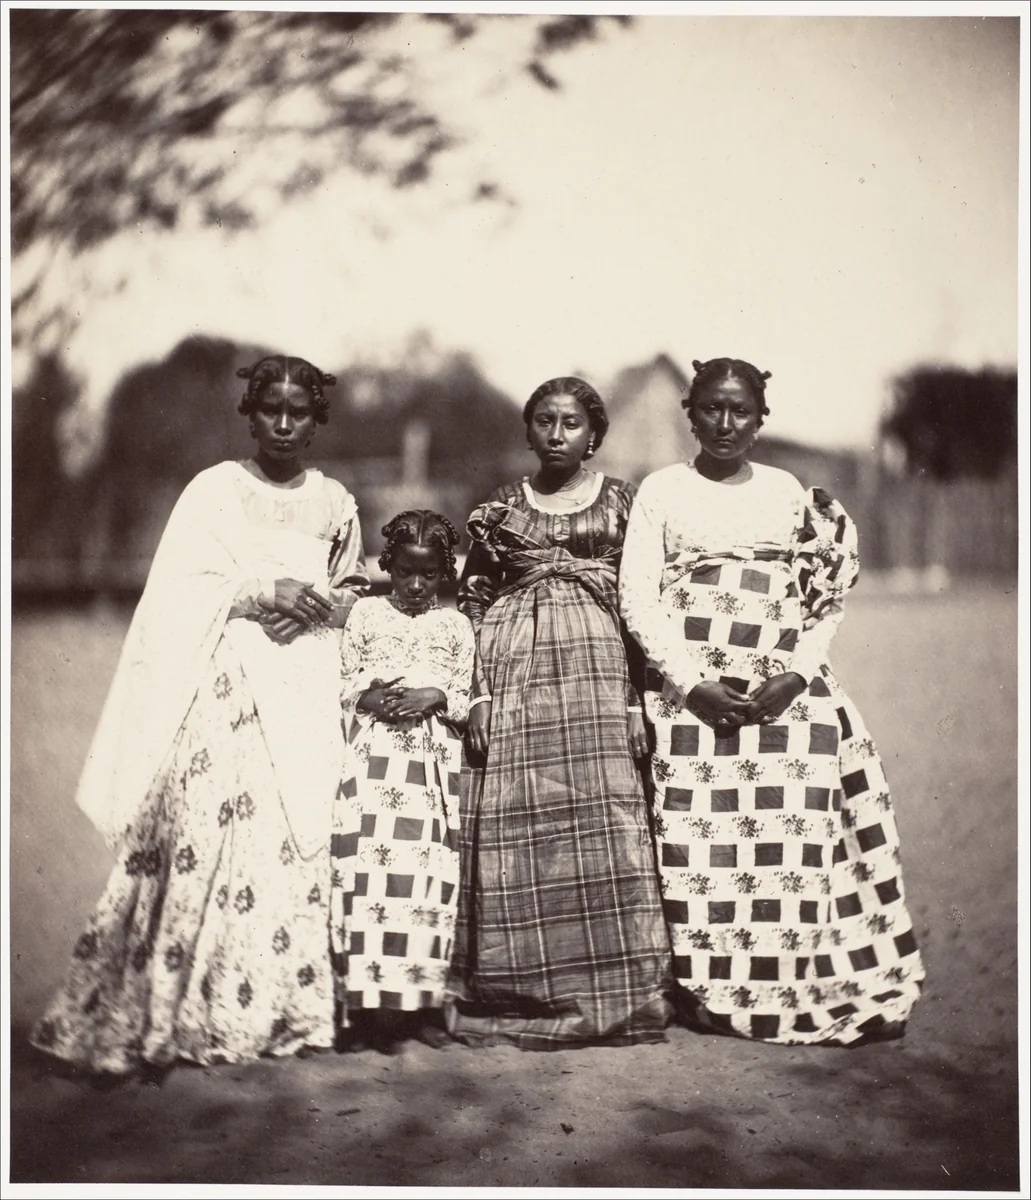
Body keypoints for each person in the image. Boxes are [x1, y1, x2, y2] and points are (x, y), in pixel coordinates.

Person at [31, 353, 369, 1078]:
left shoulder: (336, 501)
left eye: (299, 410)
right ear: (249, 413)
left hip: (301, 682)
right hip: (224, 681)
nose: (283, 422)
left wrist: (321, 608)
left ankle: (275, 1009)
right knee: (197, 832)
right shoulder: (213, 491)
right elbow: (177, 589)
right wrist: (260, 590)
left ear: (317, 419)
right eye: (270, 407)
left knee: (292, 835)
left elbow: (351, 588)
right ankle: (160, 1009)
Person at [619, 356, 925, 1046]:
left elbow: (822, 598)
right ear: (689, 413)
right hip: (690, 689)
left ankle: (802, 976)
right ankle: (713, 987)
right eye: (711, 410)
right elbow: (637, 596)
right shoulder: (661, 490)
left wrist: (795, 674)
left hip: (780, 685)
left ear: (760, 420)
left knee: (802, 823)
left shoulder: (788, 492)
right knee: (704, 839)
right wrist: (690, 681)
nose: (725, 424)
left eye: (740, 412)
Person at [446, 377, 672, 1050]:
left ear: (593, 435)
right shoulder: (498, 513)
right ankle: (514, 990)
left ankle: (616, 992)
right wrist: (479, 694)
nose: (555, 433)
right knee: (521, 819)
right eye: (543, 420)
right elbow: (474, 602)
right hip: (516, 680)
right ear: (528, 430)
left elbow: (640, 608)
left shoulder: (623, 507)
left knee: (602, 820)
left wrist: (637, 700)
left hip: (599, 686)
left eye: (570, 423)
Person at [330, 511, 475, 1055]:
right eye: (406, 573)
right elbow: (344, 680)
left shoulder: (455, 625)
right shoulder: (367, 615)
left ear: (445, 574)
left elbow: (462, 694)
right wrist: (368, 697)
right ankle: (364, 1010)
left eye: (430, 575)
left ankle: (422, 1006)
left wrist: (433, 696)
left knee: (426, 880)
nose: (417, 587)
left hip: (430, 769)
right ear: (388, 567)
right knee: (368, 877)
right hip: (373, 765)